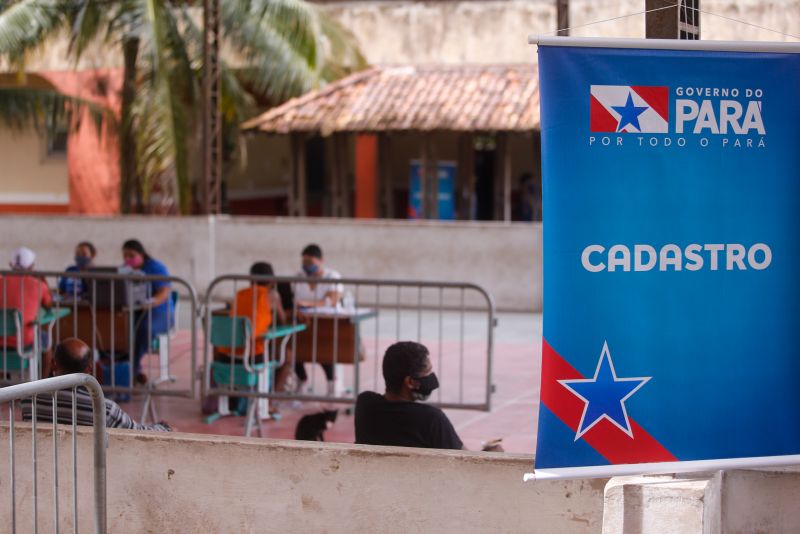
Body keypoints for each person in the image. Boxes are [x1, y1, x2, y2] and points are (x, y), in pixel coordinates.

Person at [21, 338, 170, 431]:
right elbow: (137, 432)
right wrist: (163, 428)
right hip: (86, 474)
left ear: (53, 364)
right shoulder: (104, 408)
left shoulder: (29, 398)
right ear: (89, 369)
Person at [354, 341, 463, 450]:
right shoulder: (432, 419)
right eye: (427, 372)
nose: (431, 377)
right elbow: (463, 459)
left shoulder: (365, 405)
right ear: (410, 382)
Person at [121, 239, 174, 385]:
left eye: (131, 255)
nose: (128, 259)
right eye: (125, 256)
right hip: (136, 312)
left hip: (160, 313)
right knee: (120, 327)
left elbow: (164, 291)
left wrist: (151, 302)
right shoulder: (125, 269)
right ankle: (123, 368)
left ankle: (132, 368)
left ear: (141, 254)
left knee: (144, 329)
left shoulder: (156, 267)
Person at [293, 244, 343, 395]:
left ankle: (331, 383)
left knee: (323, 349)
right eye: (304, 262)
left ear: (321, 260)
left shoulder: (333, 276)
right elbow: (294, 300)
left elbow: (332, 300)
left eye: (310, 263)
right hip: (303, 321)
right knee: (294, 349)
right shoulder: (298, 277)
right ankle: (302, 379)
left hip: (327, 323)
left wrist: (307, 304)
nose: (307, 266)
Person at [0, 247, 53, 354]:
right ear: (31, 267)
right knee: (47, 341)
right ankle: (45, 371)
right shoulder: (39, 285)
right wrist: (44, 282)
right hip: (24, 340)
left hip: (0, 338)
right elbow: (49, 306)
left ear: (11, 265)